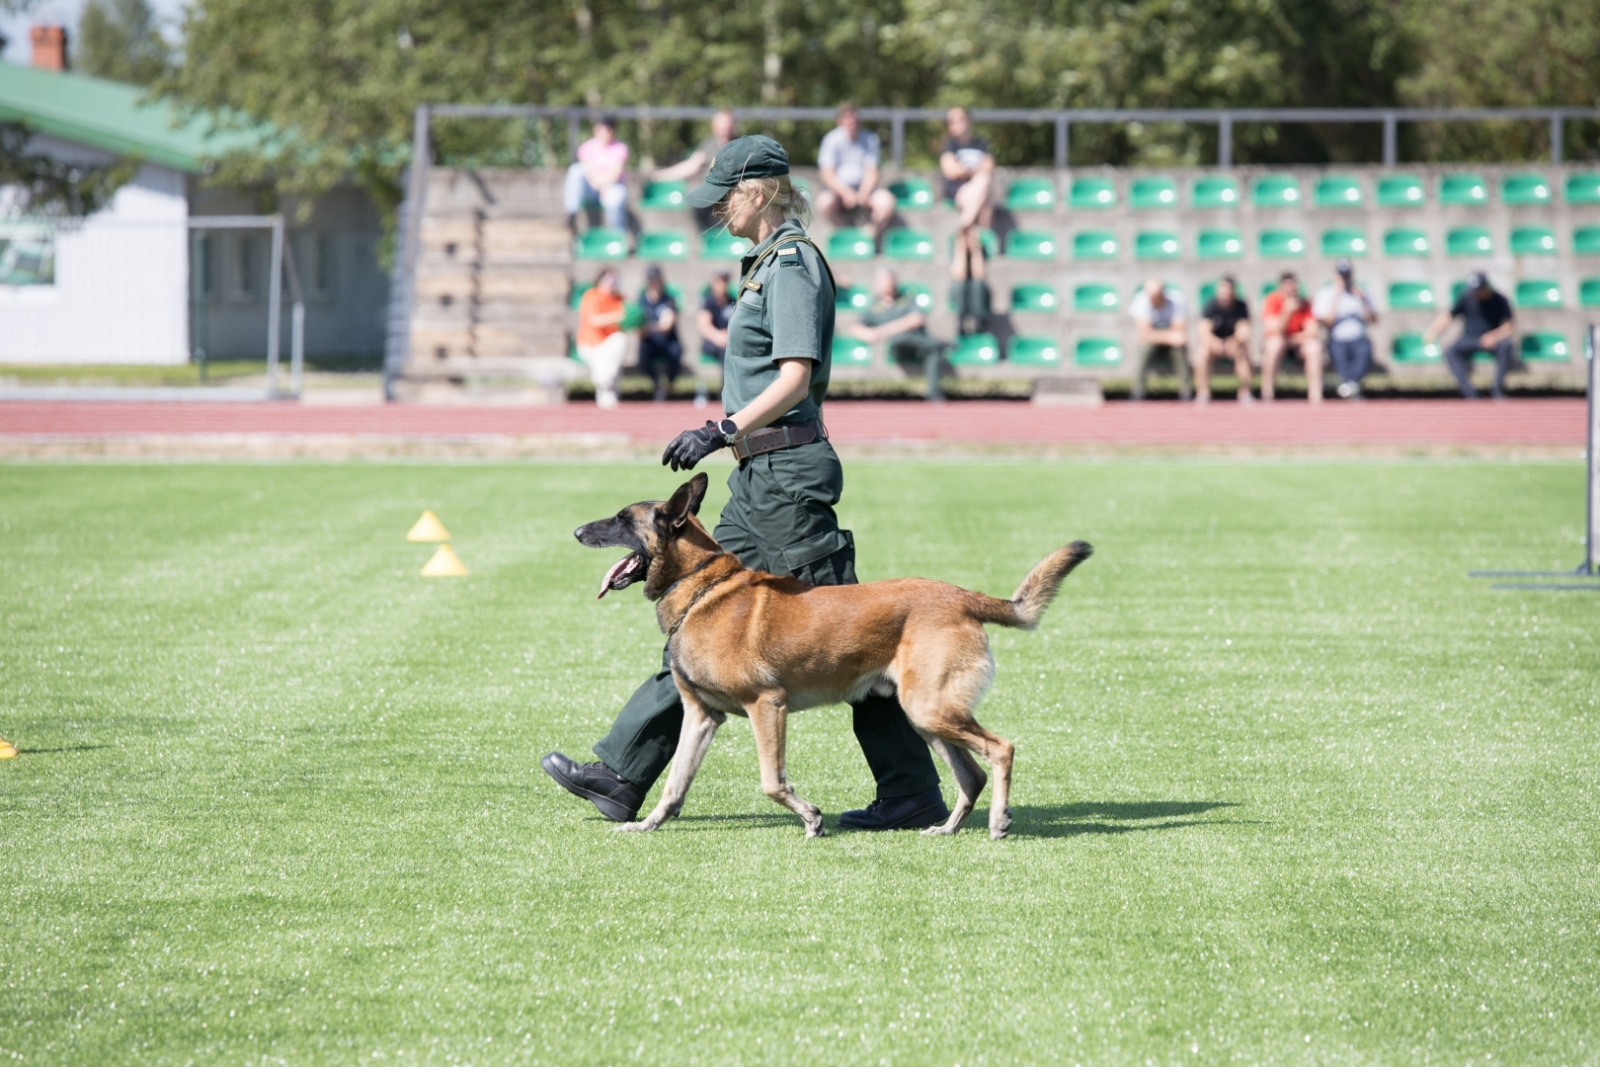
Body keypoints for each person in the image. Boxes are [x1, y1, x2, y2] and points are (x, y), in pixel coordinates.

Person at [541, 135, 949, 832]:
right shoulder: (763, 264)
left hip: (787, 478)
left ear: (756, 191)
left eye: (723, 199)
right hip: (763, 475)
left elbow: (793, 377)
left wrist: (721, 428)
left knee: (855, 635)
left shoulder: (791, 266)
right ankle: (623, 772)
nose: (717, 213)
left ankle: (911, 790)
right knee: (696, 619)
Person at [1425, 270, 1517, 399]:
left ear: (1486, 287)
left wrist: (1494, 335)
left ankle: (1497, 389)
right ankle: (1469, 392)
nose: (1475, 293)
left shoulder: (1500, 299)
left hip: (1491, 339)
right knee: (1450, 351)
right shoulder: (1466, 297)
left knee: (1506, 345)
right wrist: (1433, 331)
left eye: (1478, 290)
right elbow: (1449, 316)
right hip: (1470, 338)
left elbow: (1508, 326)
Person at [816, 102, 898, 240]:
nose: (851, 122)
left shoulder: (870, 139)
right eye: (847, 118)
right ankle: (847, 234)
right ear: (840, 120)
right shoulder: (831, 139)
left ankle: (867, 236)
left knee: (886, 202)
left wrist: (864, 193)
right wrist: (845, 193)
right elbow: (827, 174)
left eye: (853, 118)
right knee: (823, 203)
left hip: (866, 191)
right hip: (838, 191)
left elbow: (872, 171)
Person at [652, 109, 738, 233]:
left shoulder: (741, 145)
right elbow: (690, 166)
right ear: (714, 126)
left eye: (727, 124)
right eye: (721, 125)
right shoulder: (708, 145)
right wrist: (661, 175)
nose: (724, 128)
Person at [849, 267, 944, 366]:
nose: (888, 283)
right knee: (905, 339)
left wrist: (882, 331)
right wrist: (869, 334)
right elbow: (856, 327)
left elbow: (917, 319)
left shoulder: (906, 299)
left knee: (933, 349)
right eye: (884, 280)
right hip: (898, 346)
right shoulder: (873, 307)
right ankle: (940, 343)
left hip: (917, 341)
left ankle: (934, 379)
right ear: (876, 283)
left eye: (890, 279)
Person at [1312, 258, 1378, 399]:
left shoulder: (1362, 292)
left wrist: (1363, 300)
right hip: (1337, 338)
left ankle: (1348, 386)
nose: (1345, 278)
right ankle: (1351, 387)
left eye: (1347, 275)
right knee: (1337, 351)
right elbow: (1326, 321)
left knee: (1364, 349)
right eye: (1342, 275)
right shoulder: (1326, 293)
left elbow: (1373, 319)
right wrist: (1337, 296)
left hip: (1359, 337)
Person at [1260, 272, 1325, 403]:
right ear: (1281, 287)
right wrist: (1287, 312)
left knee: (1314, 347)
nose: (1291, 290)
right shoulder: (1272, 301)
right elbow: (1275, 330)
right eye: (1287, 286)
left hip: (1297, 344)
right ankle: (1267, 392)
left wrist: (1293, 339)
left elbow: (1312, 331)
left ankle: (1315, 394)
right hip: (1280, 342)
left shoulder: (1305, 303)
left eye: (1293, 286)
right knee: (1274, 345)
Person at [1128, 278, 1192, 402]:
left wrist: (1156, 335)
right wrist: (1170, 336)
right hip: (1157, 341)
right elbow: (1145, 335)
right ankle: (1138, 390)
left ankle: (1186, 390)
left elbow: (1181, 334)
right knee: (1145, 348)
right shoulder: (1141, 301)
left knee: (1179, 349)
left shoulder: (1177, 300)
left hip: (1171, 344)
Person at [564, 116, 629, 233]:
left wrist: (604, 186)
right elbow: (588, 171)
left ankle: (617, 236)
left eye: (607, 130)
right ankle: (571, 212)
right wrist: (599, 184)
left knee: (615, 199)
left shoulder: (620, 148)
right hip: (592, 187)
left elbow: (615, 173)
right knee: (575, 170)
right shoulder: (586, 147)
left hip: (611, 186)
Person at [575, 268, 628, 409]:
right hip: (591, 345)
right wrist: (618, 316)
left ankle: (604, 386)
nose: (612, 283)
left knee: (619, 340)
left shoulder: (620, 299)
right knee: (606, 361)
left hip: (609, 348)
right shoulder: (592, 296)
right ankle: (605, 386)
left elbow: (627, 320)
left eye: (615, 280)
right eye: (609, 279)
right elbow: (594, 320)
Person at [1196, 276, 1252, 404]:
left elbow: (1244, 331)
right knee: (1202, 352)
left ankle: (1245, 391)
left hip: (1234, 345)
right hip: (1214, 345)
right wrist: (1215, 343)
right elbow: (1203, 331)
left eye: (1228, 291)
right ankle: (1203, 391)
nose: (1225, 295)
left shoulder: (1241, 306)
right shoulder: (1210, 305)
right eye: (1223, 291)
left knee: (1242, 352)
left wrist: (1233, 342)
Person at [938, 107, 994, 237]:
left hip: (977, 191)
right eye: (951, 121)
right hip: (958, 190)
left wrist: (965, 170)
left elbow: (989, 166)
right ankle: (979, 243)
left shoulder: (980, 143)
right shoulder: (949, 144)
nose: (955, 124)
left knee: (983, 185)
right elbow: (951, 171)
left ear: (968, 121)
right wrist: (976, 170)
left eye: (959, 120)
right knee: (983, 186)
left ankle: (964, 228)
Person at [638, 265, 683, 402]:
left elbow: (667, 325)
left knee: (676, 352)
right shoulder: (642, 300)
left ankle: (668, 385)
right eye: (650, 279)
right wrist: (650, 328)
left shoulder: (669, 299)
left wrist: (649, 327)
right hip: (650, 342)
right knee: (643, 355)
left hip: (667, 340)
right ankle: (657, 385)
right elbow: (640, 328)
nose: (653, 282)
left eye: (655, 279)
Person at [697, 269, 735, 364]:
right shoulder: (708, 301)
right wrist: (719, 337)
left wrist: (728, 336)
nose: (722, 284)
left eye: (725, 280)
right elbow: (704, 326)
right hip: (711, 340)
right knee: (725, 352)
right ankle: (726, 379)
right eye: (719, 281)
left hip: (729, 338)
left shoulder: (732, 301)